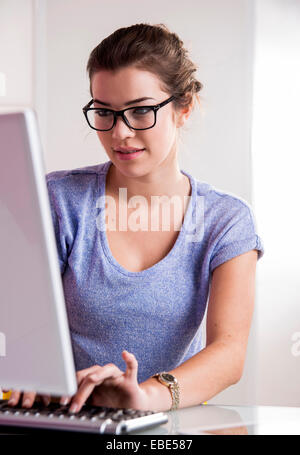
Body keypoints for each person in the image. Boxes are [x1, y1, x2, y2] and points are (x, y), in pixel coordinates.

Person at [6, 23, 264, 413]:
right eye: (104, 112)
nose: (120, 133)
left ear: (184, 107)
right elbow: (19, 323)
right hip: (70, 418)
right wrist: (25, 373)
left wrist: (146, 397)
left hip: (170, 422)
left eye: (141, 110)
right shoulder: (59, 201)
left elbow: (228, 353)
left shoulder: (226, 221)